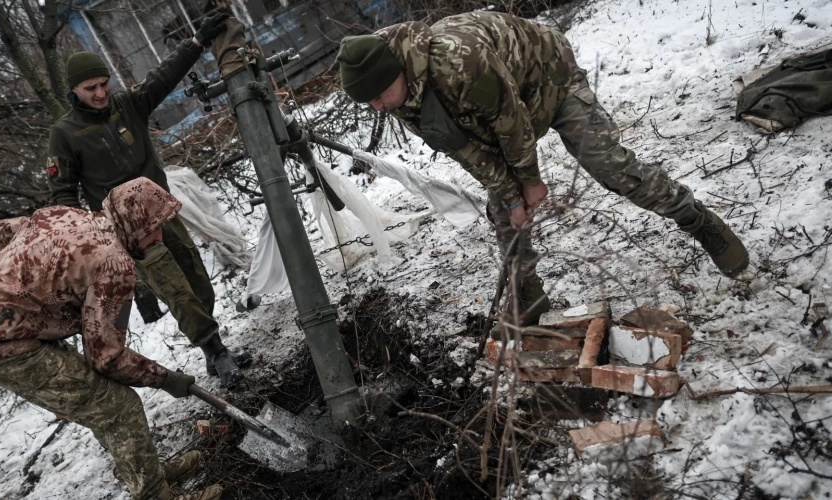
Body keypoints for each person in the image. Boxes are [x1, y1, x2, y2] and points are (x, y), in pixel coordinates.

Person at [335, 12, 749, 325]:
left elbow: (510, 123)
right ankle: (530, 300)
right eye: (367, 102)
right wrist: (513, 196)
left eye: (377, 95)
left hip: (552, 78)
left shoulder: (458, 59)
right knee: (502, 210)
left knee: (608, 166)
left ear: (396, 72)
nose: (376, 107)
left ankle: (697, 221)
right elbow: (469, 151)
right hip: (503, 103)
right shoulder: (400, 97)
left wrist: (530, 183)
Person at [0, 178, 222, 500]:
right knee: (119, 408)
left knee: (99, 401)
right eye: (153, 229)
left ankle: (145, 472)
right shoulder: (114, 264)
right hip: (1, 347)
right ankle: (154, 494)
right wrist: (165, 379)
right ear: (134, 225)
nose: (158, 238)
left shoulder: (61, 215)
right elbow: (106, 358)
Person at [46, 13, 246, 385]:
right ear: (74, 90)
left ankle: (212, 350)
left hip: (163, 212)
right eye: (91, 88)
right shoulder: (65, 134)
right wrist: (92, 241)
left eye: (104, 84)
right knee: (176, 290)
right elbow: (62, 196)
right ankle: (217, 351)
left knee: (197, 280)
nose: (101, 93)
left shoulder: (128, 105)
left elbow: (164, 75)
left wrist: (198, 41)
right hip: (130, 234)